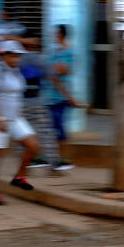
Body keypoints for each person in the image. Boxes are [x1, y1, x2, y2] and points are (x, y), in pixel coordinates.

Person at [0, 40, 41, 205]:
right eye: (13, 55)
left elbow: (16, 95)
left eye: (18, 56)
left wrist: (20, 112)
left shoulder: (16, 72)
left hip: (15, 118)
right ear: (3, 55)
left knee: (33, 145)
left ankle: (19, 177)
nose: (16, 59)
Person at [18, 33, 60, 169]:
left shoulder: (16, 59)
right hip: (38, 102)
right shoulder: (41, 59)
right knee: (47, 133)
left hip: (21, 104)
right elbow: (52, 77)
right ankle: (53, 165)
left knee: (22, 135)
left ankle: (24, 164)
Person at [46, 24, 80, 172]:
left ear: (61, 35)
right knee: (52, 128)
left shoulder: (68, 52)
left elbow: (61, 71)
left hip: (62, 95)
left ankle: (60, 159)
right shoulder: (54, 51)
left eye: (55, 33)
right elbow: (52, 71)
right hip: (50, 96)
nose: (53, 35)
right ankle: (55, 160)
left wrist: (53, 70)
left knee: (59, 128)